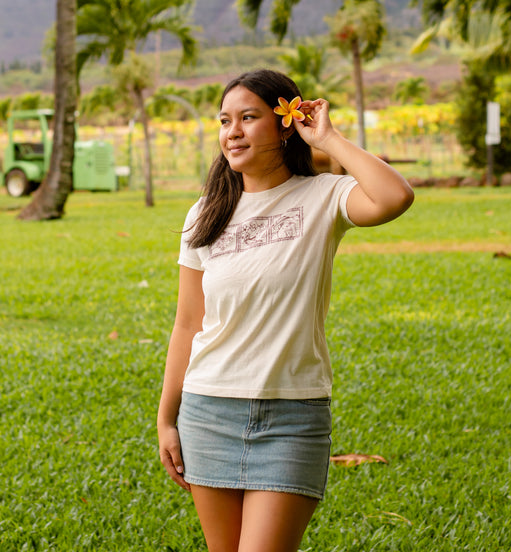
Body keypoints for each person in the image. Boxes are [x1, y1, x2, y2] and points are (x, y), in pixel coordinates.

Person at [157, 69, 414, 552]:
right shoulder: (205, 213)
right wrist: (167, 419)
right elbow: (189, 323)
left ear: (284, 124)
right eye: (224, 120)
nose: (232, 131)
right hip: (208, 411)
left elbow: (395, 196)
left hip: (291, 417)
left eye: (249, 117)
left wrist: (329, 138)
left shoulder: (323, 197)